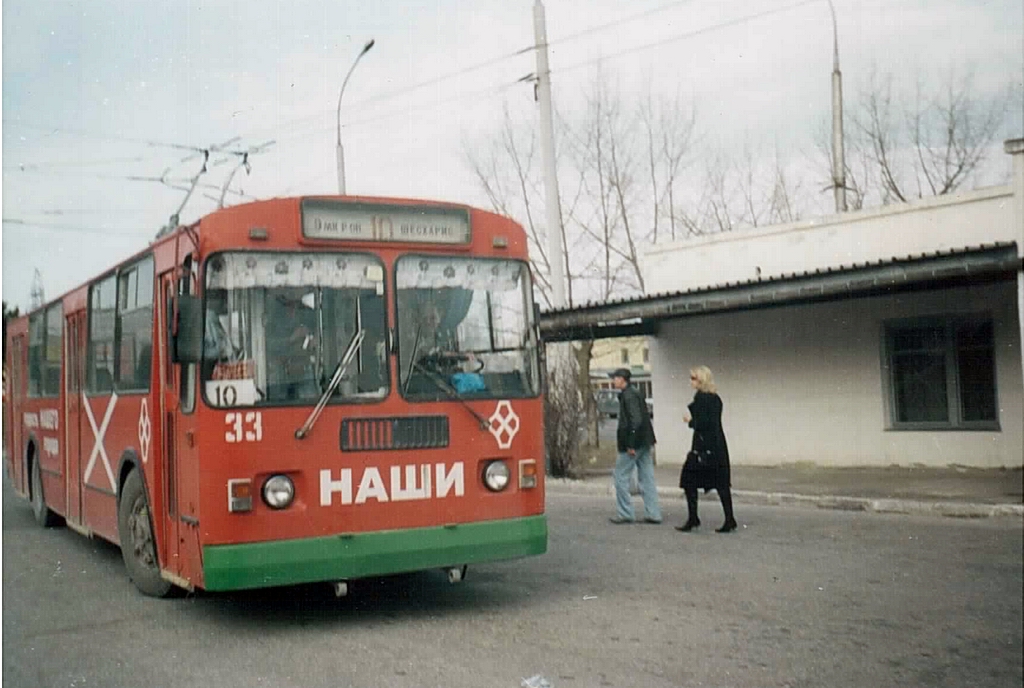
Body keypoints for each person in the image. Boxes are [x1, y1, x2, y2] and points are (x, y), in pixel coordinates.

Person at [676, 365, 737, 533]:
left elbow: (703, 423)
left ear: (701, 380)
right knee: (721, 484)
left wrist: (689, 421)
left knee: (689, 480)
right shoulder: (715, 398)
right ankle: (729, 518)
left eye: (693, 378)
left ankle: (694, 518)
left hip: (704, 447)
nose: (690, 381)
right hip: (717, 445)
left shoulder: (702, 399)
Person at [609, 368, 661, 524]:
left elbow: (635, 420)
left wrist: (630, 444)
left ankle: (625, 512)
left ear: (622, 379)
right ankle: (653, 513)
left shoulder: (628, 396)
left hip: (633, 443)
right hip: (645, 440)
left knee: (620, 476)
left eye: (615, 378)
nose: (614, 381)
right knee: (647, 477)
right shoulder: (635, 393)